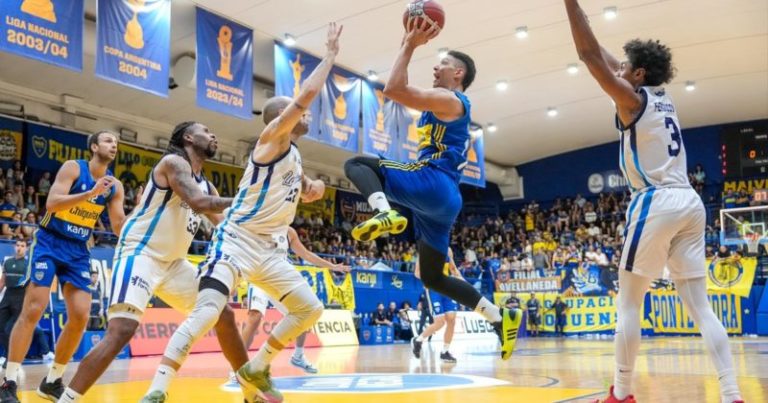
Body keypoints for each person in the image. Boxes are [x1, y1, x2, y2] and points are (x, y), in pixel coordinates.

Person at [144, 23, 341, 403]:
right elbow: (306, 97)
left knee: (310, 309)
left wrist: (312, 189)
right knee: (207, 312)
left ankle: (257, 367)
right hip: (235, 242)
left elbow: (303, 190)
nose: (308, 115)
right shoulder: (269, 141)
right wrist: (330, 56)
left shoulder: (294, 155)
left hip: (268, 251)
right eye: (298, 111)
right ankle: (158, 389)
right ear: (281, 117)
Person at [563, 2, 743, 403]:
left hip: (655, 200)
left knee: (629, 301)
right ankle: (732, 394)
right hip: (690, 204)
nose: (619, 69)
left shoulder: (632, 100)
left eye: (625, 67)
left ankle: (622, 394)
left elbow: (590, 56)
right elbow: (608, 60)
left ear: (638, 74)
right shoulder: (661, 97)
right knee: (701, 308)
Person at [342, 16, 520, 361]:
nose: (437, 67)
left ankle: (384, 213)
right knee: (435, 277)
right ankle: (499, 318)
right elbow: (402, 92)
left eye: (444, 64)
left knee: (357, 165)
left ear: (459, 75)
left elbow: (393, 90)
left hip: (432, 181)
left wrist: (409, 43)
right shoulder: (442, 104)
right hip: (443, 200)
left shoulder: (453, 100)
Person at [56, 122, 250, 403]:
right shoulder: (173, 163)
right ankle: (67, 400)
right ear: (188, 137)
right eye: (206, 131)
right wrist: (248, 198)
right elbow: (198, 202)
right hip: (141, 252)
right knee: (121, 330)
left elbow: (226, 223)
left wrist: (266, 222)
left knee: (223, 314)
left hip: (173, 263)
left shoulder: (207, 184)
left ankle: (251, 392)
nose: (213, 134)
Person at [0, 131, 126, 403]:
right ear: (94, 146)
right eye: (107, 140)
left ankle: (52, 380)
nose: (113, 144)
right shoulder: (73, 168)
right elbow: (52, 203)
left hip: (78, 250)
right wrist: (90, 194)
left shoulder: (114, 185)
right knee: (34, 308)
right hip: (49, 241)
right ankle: (8, 382)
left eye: (116, 142)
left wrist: (141, 215)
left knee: (80, 315)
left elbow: (118, 226)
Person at [236, 226, 349, 377]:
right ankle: (238, 366)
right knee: (254, 317)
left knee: (304, 313)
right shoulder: (261, 222)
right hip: (259, 278)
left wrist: (332, 266)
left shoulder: (289, 232)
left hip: (279, 280)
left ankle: (298, 355)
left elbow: (306, 255)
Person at [412, 248, 464, 363]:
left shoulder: (448, 249)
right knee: (440, 322)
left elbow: (453, 269)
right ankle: (419, 340)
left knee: (451, 319)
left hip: (447, 288)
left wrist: (464, 283)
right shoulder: (425, 249)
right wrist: (429, 280)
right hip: (433, 289)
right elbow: (417, 273)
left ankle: (445, 352)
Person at [0, 240, 29, 360]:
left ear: (26, 248)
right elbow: (2, 281)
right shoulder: (8, 262)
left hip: (20, 297)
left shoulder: (28, 264)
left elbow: (30, 286)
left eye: (22, 246)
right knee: (1, 328)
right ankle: (8, 355)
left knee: (9, 330)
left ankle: (10, 357)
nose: (19, 248)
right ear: (14, 247)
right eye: (18, 245)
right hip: (7, 296)